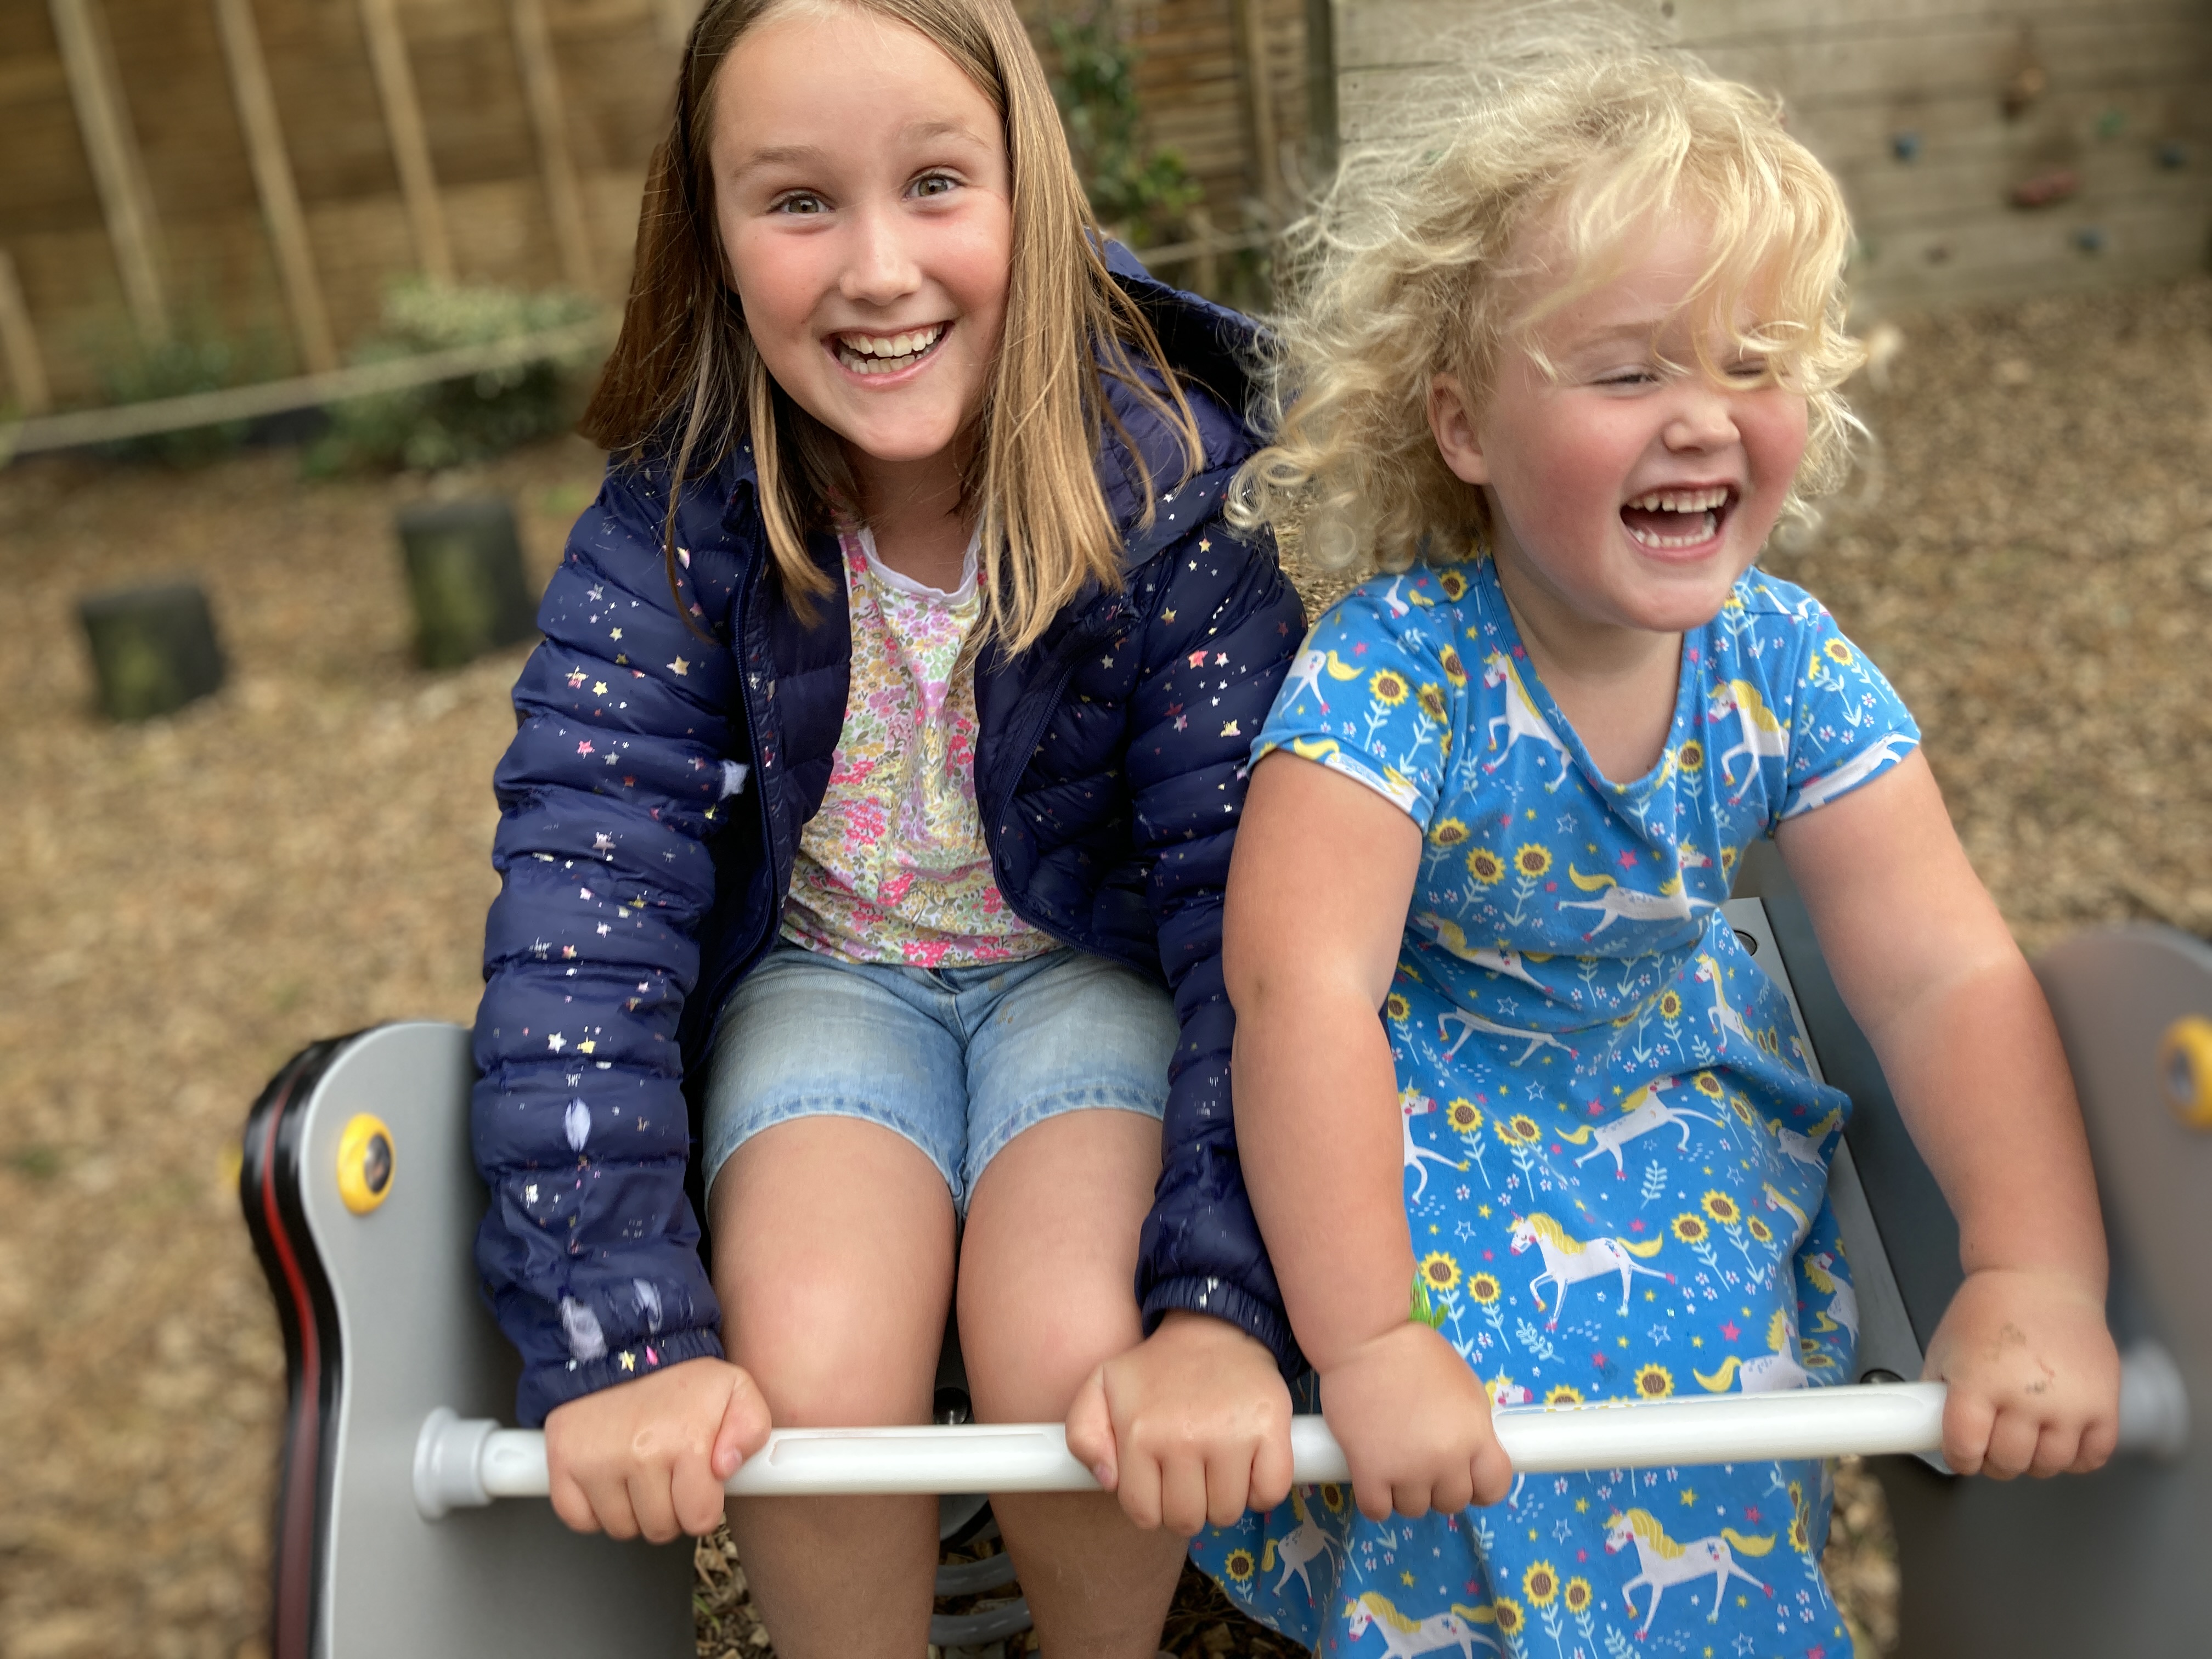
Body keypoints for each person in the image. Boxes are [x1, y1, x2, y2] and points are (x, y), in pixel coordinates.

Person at [1066, 10, 2121, 1652]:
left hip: (1672, 1071)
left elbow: (1942, 975)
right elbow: (1304, 997)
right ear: (1466, 427)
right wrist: (1366, 1341)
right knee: (1462, 1371)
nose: (1702, 417)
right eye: (1630, 370)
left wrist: (2033, 1273)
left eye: (1752, 365)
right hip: (1422, 1083)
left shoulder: (1784, 666)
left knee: (1704, 1352)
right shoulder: (1394, 671)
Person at [466, 1, 1302, 1654]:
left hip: (1096, 969)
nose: (875, 268)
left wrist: (1221, 1301)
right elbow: (586, 910)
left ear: (1033, 196)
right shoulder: (675, 526)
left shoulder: (1175, 495)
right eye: (797, 203)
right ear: (710, 235)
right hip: (825, 977)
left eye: (935, 184)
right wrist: (620, 1332)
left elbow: (1250, 920)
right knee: (817, 1355)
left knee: (1074, 1343)